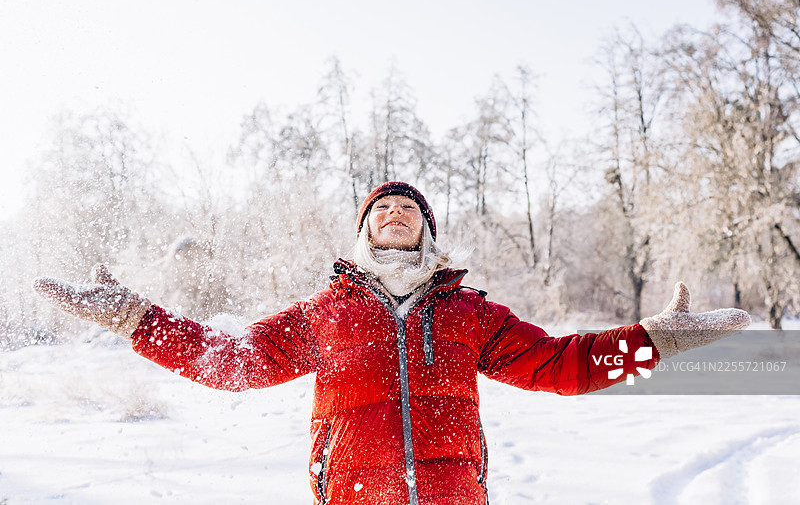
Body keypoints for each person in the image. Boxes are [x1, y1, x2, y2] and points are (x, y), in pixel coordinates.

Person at [34, 181, 751, 505]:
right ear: (365, 232)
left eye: (409, 206)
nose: (396, 210)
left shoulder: (470, 311)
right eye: (383, 206)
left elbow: (562, 366)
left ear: (427, 232)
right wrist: (136, 317)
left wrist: (655, 341)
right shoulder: (324, 312)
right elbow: (235, 362)